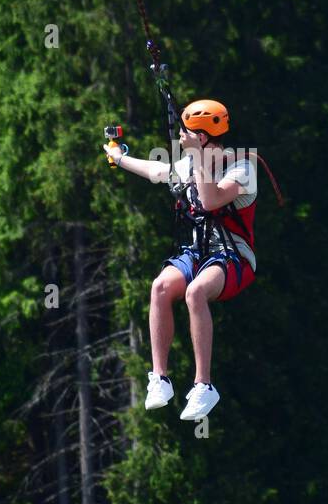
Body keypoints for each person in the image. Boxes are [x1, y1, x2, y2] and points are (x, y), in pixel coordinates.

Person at [104, 99, 257, 420]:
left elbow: (211, 200)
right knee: (160, 287)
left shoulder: (243, 167)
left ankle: (204, 385)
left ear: (202, 137)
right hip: (198, 252)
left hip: (233, 256)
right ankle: (160, 378)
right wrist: (121, 158)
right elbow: (158, 171)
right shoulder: (191, 163)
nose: (181, 138)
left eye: (187, 133)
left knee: (195, 292)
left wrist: (199, 159)